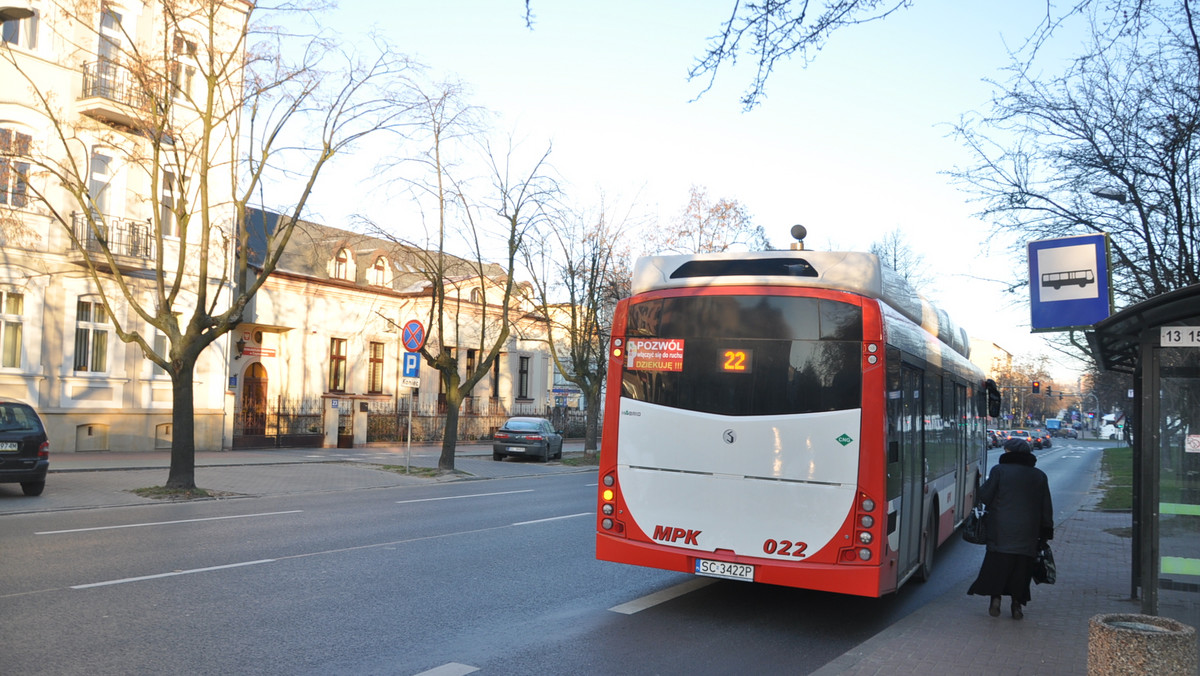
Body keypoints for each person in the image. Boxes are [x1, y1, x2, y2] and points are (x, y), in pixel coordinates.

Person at [967, 437, 1054, 620]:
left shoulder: (999, 471)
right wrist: (1045, 532)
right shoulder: (1039, 475)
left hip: (1000, 530)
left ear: (1009, 453)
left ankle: (995, 600)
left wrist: (979, 486)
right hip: (1028, 532)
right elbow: (1046, 506)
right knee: (1021, 569)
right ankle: (1016, 605)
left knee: (997, 566)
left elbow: (985, 496)